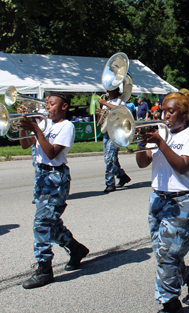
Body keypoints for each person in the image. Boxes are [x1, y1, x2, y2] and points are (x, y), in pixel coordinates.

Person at [135, 92, 189, 313]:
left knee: (168, 254)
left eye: (171, 111)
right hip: (158, 198)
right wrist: (142, 143)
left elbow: (183, 167)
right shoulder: (160, 133)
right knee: (163, 252)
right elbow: (143, 162)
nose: (166, 116)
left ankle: (171, 305)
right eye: (164, 111)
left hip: (181, 201)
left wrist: (160, 143)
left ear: (184, 113)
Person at [18, 93, 89, 289]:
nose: (47, 107)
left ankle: (44, 269)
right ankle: (76, 249)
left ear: (64, 106)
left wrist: (35, 128)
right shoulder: (44, 123)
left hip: (55, 178)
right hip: (41, 177)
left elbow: (51, 152)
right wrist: (23, 128)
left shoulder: (66, 126)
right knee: (51, 221)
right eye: (47, 104)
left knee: (42, 223)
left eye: (52, 104)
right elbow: (25, 145)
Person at [98, 89, 131, 193]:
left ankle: (110, 183)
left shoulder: (120, 101)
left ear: (116, 91)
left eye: (110, 90)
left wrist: (105, 103)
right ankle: (122, 175)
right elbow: (103, 118)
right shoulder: (106, 103)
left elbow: (120, 110)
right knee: (108, 158)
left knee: (110, 159)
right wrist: (100, 113)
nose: (107, 92)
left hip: (117, 133)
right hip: (108, 132)